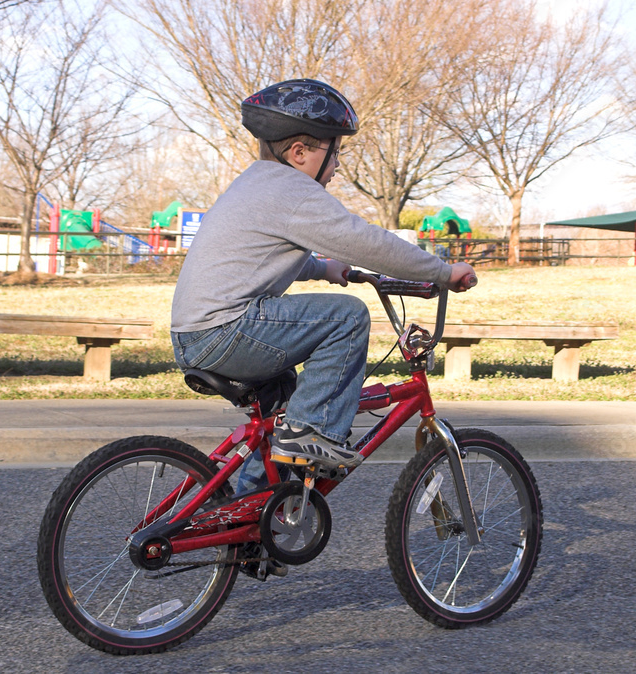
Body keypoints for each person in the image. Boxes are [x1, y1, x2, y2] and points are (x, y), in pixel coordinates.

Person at [170, 79, 475, 492]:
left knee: (282, 419)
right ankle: (314, 437)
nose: (336, 167)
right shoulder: (293, 190)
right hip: (226, 331)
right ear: (300, 154)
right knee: (346, 317)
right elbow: (366, 241)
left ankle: (243, 533)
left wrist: (322, 268)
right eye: (335, 154)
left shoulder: (255, 183)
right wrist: (442, 271)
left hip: (198, 333)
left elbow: (259, 259)